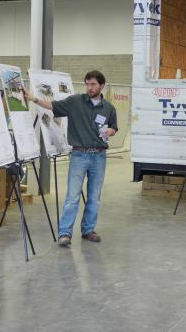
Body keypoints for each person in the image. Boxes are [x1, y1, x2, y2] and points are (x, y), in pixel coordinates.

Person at [24, 70, 117, 246]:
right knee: (72, 196)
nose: (89, 87)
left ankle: (88, 230)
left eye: (93, 84)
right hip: (79, 155)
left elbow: (114, 127)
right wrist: (34, 99)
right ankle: (65, 233)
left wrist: (110, 131)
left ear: (102, 86)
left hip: (99, 156)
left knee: (94, 197)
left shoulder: (109, 108)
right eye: (87, 84)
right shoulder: (75, 102)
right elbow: (53, 105)